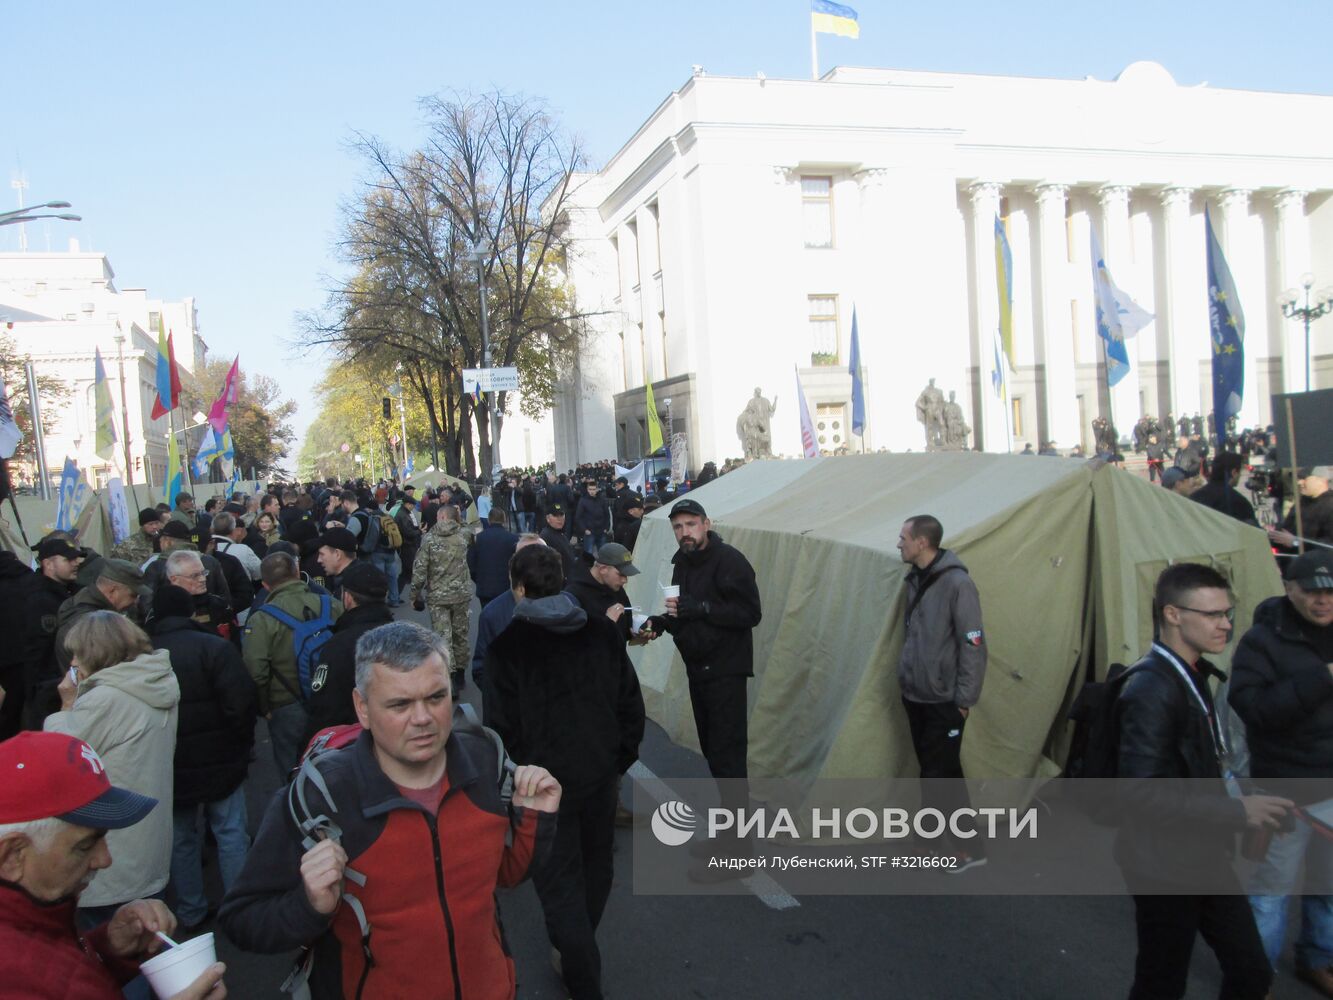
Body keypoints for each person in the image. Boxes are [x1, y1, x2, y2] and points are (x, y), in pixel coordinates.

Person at [219, 622, 561, 1000]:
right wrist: (309, 905)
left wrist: (534, 819)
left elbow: (505, 876)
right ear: (362, 708)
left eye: (436, 697)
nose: (423, 719)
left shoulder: (485, 760)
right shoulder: (325, 795)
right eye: (400, 704)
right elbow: (242, 919)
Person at [1114, 562, 1291, 1000]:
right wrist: (1236, 810)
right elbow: (1139, 793)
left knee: (1251, 970)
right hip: (1160, 862)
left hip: (1202, 852)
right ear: (1173, 615)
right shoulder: (1152, 689)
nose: (1226, 624)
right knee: (1162, 980)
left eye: (1228, 613)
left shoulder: (1191, 673)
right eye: (1213, 615)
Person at [486, 545, 645, 1000]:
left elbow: (501, 730)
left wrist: (519, 780)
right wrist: (618, 760)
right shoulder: (601, 632)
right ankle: (576, 950)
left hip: (543, 790)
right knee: (597, 870)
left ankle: (580, 967)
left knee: (559, 884)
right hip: (598, 778)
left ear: (518, 588)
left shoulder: (507, 648)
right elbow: (630, 704)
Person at [0, 731, 228, 1000]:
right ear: (13, 855)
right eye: (84, 845)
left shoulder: (37, 914)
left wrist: (105, 948)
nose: (104, 860)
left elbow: (55, 971)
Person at [1229, 551, 1333, 994]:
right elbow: (1254, 710)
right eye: (1311, 590)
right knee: (1270, 891)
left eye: (1330, 591)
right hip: (1286, 787)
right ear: (1289, 589)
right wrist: (1322, 678)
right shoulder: (1262, 639)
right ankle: (1256, 975)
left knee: (1329, 886)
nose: (1323, 600)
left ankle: (1319, 958)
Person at [44, 612, 180, 943]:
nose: (73, 661)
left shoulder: (106, 698)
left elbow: (61, 755)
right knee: (149, 936)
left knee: (115, 945)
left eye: (77, 653)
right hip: (147, 832)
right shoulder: (155, 680)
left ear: (96, 652)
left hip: (114, 843)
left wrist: (66, 705)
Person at [648, 498, 761, 876]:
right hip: (700, 669)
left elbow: (750, 614)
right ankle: (730, 838)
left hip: (725, 671)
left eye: (691, 525)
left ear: (706, 524)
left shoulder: (729, 561)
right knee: (715, 756)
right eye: (678, 527)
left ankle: (740, 853)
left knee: (729, 760)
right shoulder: (682, 562)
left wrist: (703, 609)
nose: (685, 533)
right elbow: (684, 610)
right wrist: (664, 622)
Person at [149, 585, 256, 933]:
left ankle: (191, 909)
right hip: (220, 756)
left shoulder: (142, 655)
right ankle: (240, 904)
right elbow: (240, 703)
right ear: (190, 611)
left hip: (169, 763)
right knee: (230, 831)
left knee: (181, 837)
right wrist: (241, 745)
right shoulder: (214, 647)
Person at [895, 514, 987, 870]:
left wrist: (964, 701)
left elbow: (973, 644)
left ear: (922, 543)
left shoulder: (957, 584)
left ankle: (970, 849)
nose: (899, 543)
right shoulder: (914, 580)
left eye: (904, 537)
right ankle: (930, 840)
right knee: (935, 771)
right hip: (915, 695)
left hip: (943, 700)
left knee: (941, 774)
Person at [242, 551, 343, 775]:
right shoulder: (330, 603)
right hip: (333, 693)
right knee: (338, 756)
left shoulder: (261, 619)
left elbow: (255, 670)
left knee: (292, 764)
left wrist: (264, 707)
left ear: (266, 585)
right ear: (297, 572)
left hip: (287, 701)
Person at [304, 562, 394, 743]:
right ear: (385, 595)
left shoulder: (337, 646)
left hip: (355, 744)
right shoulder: (403, 637)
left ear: (347, 598)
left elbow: (325, 709)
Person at [20, 537, 84, 731]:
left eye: (76, 559)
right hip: (49, 687)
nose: (76, 563)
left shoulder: (72, 592)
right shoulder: (38, 598)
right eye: (68, 559)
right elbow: (38, 649)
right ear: (48, 563)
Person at [411, 504, 474, 696]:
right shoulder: (464, 536)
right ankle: (461, 673)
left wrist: (415, 594)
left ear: (441, 516)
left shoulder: (429, 539)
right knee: (461, 634)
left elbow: (420, 569)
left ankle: (450, 676)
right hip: (461, 594)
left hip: (438, 596)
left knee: (443, 635)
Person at [53, 559, 151, 674]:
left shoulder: (82, 607)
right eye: (133, 595)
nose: (135, 601)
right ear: (112, 591)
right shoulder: (91, 624)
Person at [1270, 466, 1333, 552]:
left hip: (1317, 562)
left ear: (1322, 480)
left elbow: (1329, 544)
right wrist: (1273, 533)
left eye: (1304, 478)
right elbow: (1287, 530)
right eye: (1299, 478)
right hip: (1289, 559)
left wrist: (1296, 542)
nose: (1299, 482)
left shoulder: (1329, 505)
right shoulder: (1302, 502)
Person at [1189, 451, 1259, 527]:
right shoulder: (1240, 503)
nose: (1240, 475)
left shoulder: (1194, 498)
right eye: (1240, 472)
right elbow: (1252, 533)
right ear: (1234, 472)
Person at [470, 507, 520, 607]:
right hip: (506, 587)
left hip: (485, 587)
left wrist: (478, 579)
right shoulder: (513, 539)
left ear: (489, 520)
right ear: (504, 520)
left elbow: (471, 564)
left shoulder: (478, 538)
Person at [315, 526, 362, 601]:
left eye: (322, 554)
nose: (319, 560)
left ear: (337, 554)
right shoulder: (360, 577)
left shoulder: (349, 590)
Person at [541, 500, 581, 582]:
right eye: (555, 515)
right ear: (548, 518)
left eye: (561, 515)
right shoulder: (546, 536)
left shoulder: (560, 533)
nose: (559, 519)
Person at [575, 481, 611, 557]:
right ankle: (588, 569)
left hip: (601, 531)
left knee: (603, 555)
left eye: (593, 489)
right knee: (588, 555)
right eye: (590, 489)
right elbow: (578, 517)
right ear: (587, 489)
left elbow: (607, 515)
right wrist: (585, 530)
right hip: (589, 532)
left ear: (597, 489)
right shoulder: (583, 500)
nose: (592, 491)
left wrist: (606, 528)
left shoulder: (602, 500)